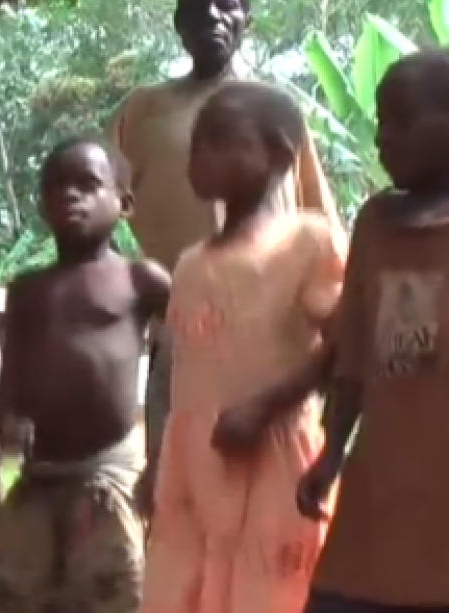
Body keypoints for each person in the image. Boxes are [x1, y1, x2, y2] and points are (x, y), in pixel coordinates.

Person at [108, 0, 341, 502]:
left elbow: (316, 213)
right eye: (195, 6)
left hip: (272, 335)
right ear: (178, 22)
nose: (211, 15)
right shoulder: (143, 109)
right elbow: (99, 200)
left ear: (247, 18)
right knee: (179, 490)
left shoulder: (276, 108)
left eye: (228, 4)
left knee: (271, 489)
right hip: (181, 329)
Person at [139, 82, 346, 613]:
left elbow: (346, 341)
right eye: (195, 141)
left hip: (271, 463)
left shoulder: (308, 241)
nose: (199, 151)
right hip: (194, 466)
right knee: (186, 589)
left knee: (266, 593)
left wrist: (267, 405)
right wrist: (158, 458)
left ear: (279, 153)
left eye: (219, 138)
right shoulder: (188, 264)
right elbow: (180, 369)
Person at [0, 138, 168, 613]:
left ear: (125, 202)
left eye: (88, 185)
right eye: (55, 187)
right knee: (6, 597)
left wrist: (165, 455)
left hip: (110, 470)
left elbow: (186, 351)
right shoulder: (29, 290)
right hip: (41, 474)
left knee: (115, 594)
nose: (70, 196)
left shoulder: (142, 280)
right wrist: (5, 432)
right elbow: (10, 372)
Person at [296, 50, 449, 613]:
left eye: (404, 119)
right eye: (381, 120)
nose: (385, 137)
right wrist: (332, 452)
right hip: (380, 490)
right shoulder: (377, 222)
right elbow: (354, 354)